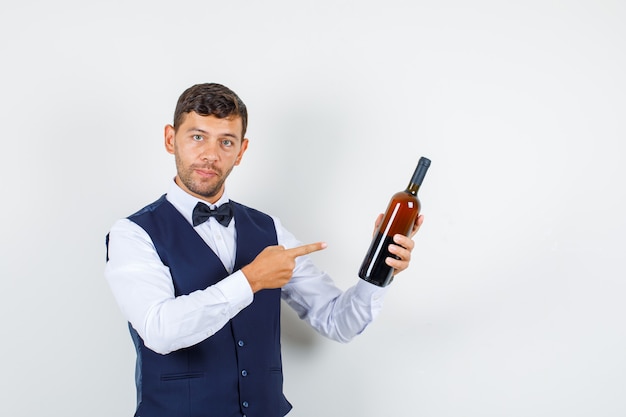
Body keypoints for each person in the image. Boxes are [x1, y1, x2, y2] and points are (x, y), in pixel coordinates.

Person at [104, 82, 424, 417]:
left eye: (226, 142)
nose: (211, 154)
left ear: (241, 151)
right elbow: (160, 331)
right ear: (171, 139)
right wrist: (251, 279)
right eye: (197, 137)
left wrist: (379, 272)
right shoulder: (133, 234)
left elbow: (337, 322)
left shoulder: (270, 229)